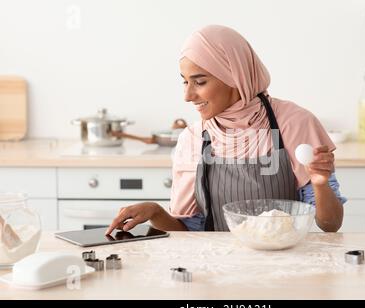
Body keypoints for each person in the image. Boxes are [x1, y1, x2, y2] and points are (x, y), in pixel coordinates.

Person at [105, 25, 346, 235]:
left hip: (286, 268)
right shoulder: (193, 139)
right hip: (218, 274)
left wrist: (320, 184)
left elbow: (330, 224)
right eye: (185, 81)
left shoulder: (294, 123)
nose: (187, 96)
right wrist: (155, 212)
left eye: (199, 82)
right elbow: (190, 234)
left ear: (235, 76)